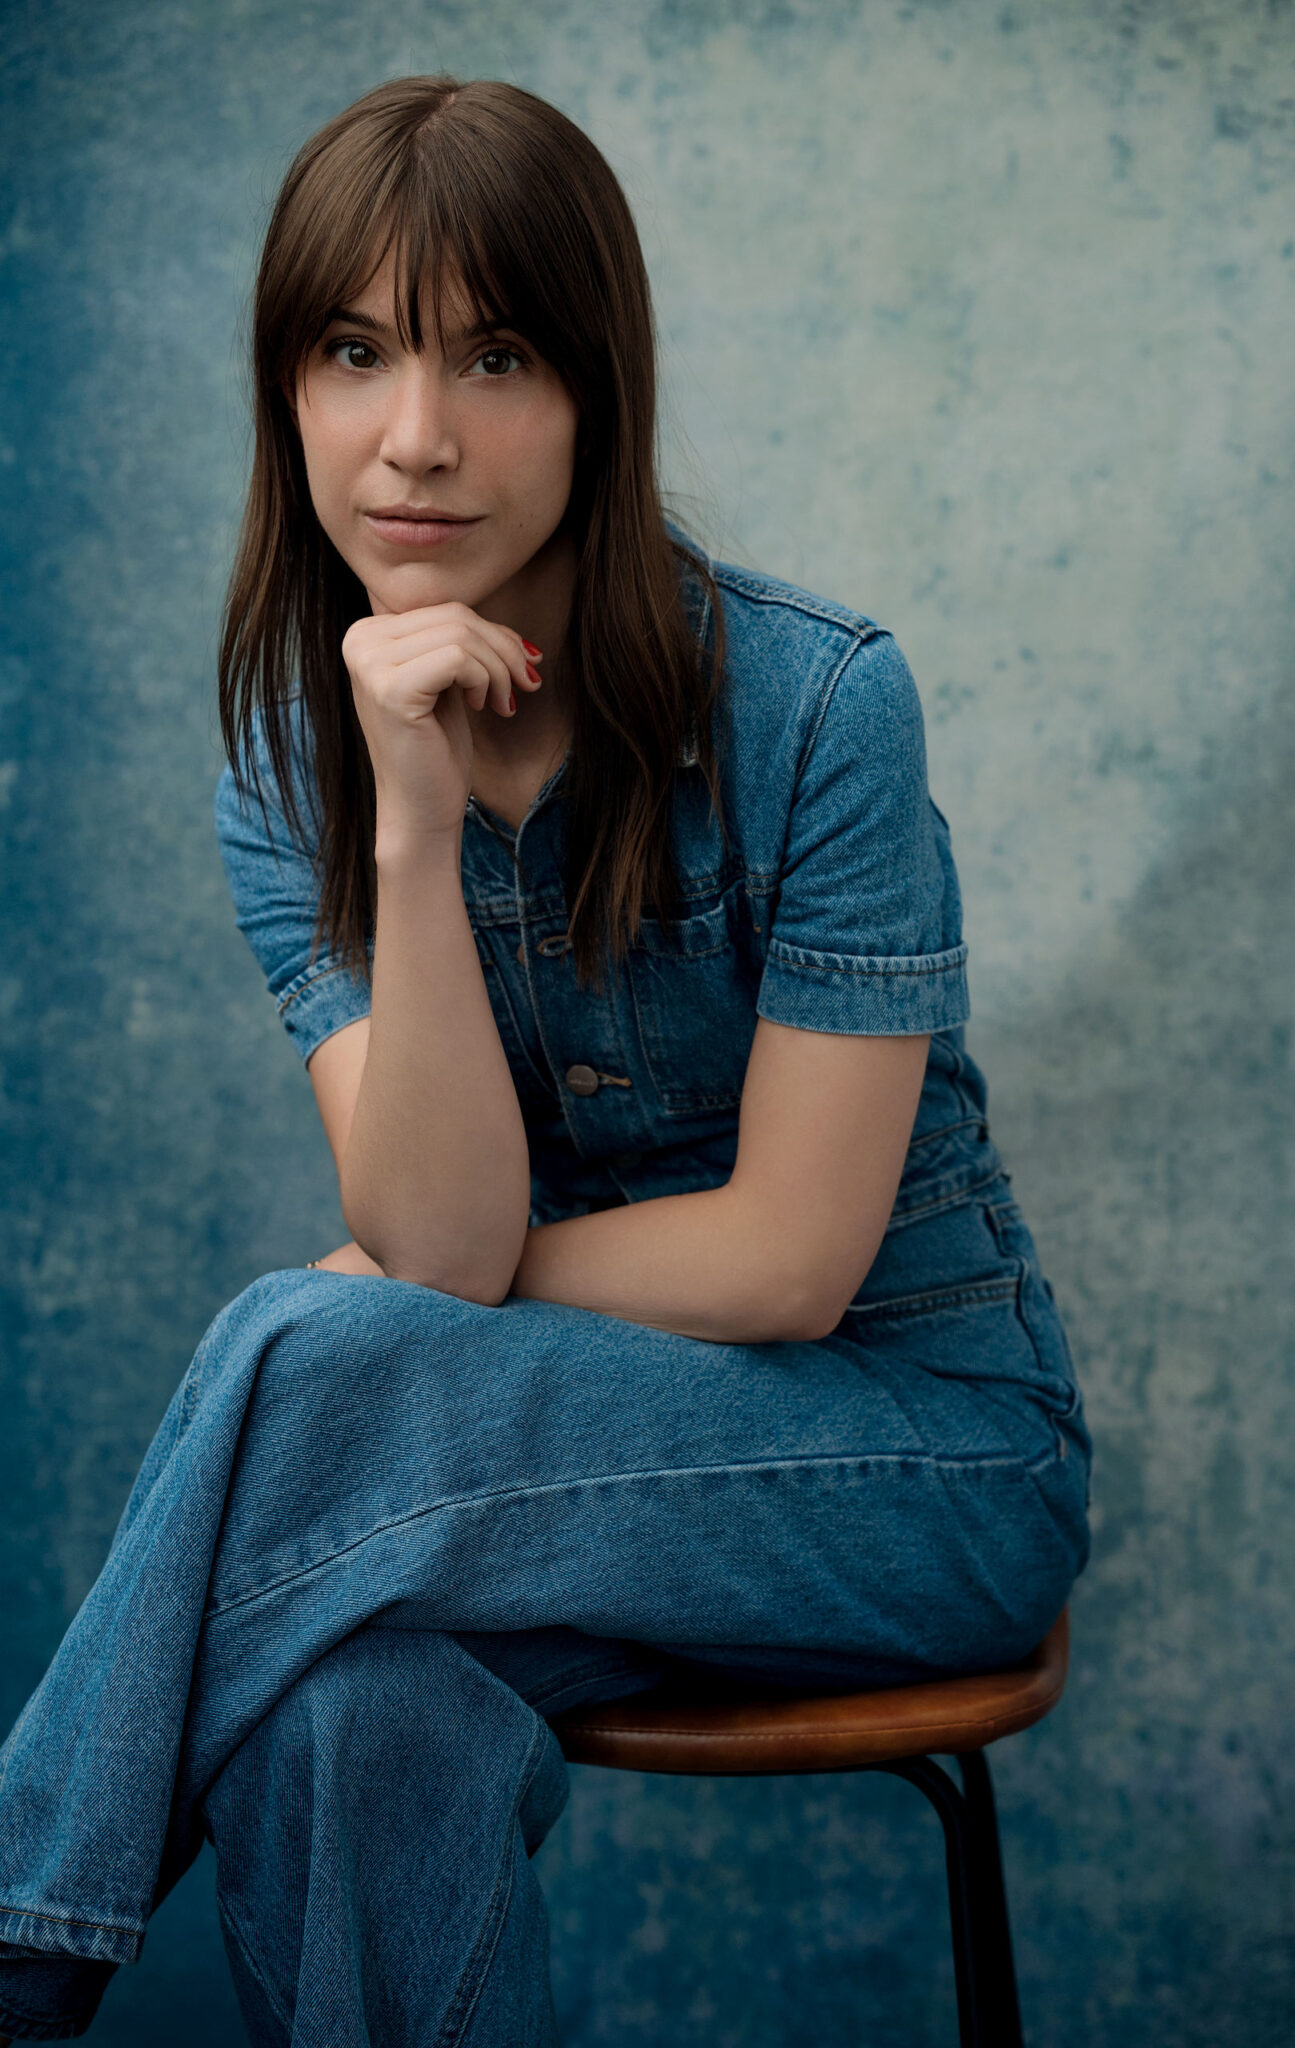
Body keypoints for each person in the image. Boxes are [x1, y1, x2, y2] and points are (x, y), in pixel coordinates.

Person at [0, 72, 1091, 2046]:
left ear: (595, 394)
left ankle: (22, 1932)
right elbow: (433, 1235)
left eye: (491, 354)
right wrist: (409, 820)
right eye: (354, 353)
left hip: (914, 1458)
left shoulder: (818, 702)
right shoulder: (285, 756)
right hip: (529, 1482)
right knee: (345, 1712)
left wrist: (401, 1320)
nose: (414, 436)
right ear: (288, 396)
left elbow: (785, 1263)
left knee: (301, 1341)